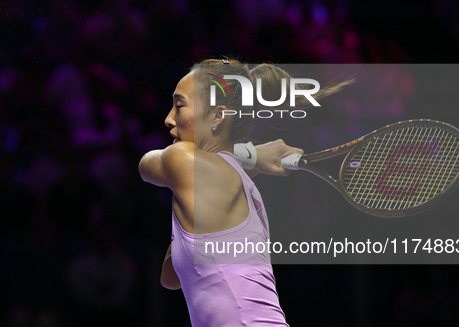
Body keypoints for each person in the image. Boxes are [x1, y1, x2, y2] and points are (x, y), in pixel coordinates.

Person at [139, 58, 349, 326]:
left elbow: (146, 164)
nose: (169, 119)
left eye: (179, 106)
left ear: (217, 116)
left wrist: (252, 156)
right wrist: (252, 157)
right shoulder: (225, 182)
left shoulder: (182, 160)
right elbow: (170, 278)